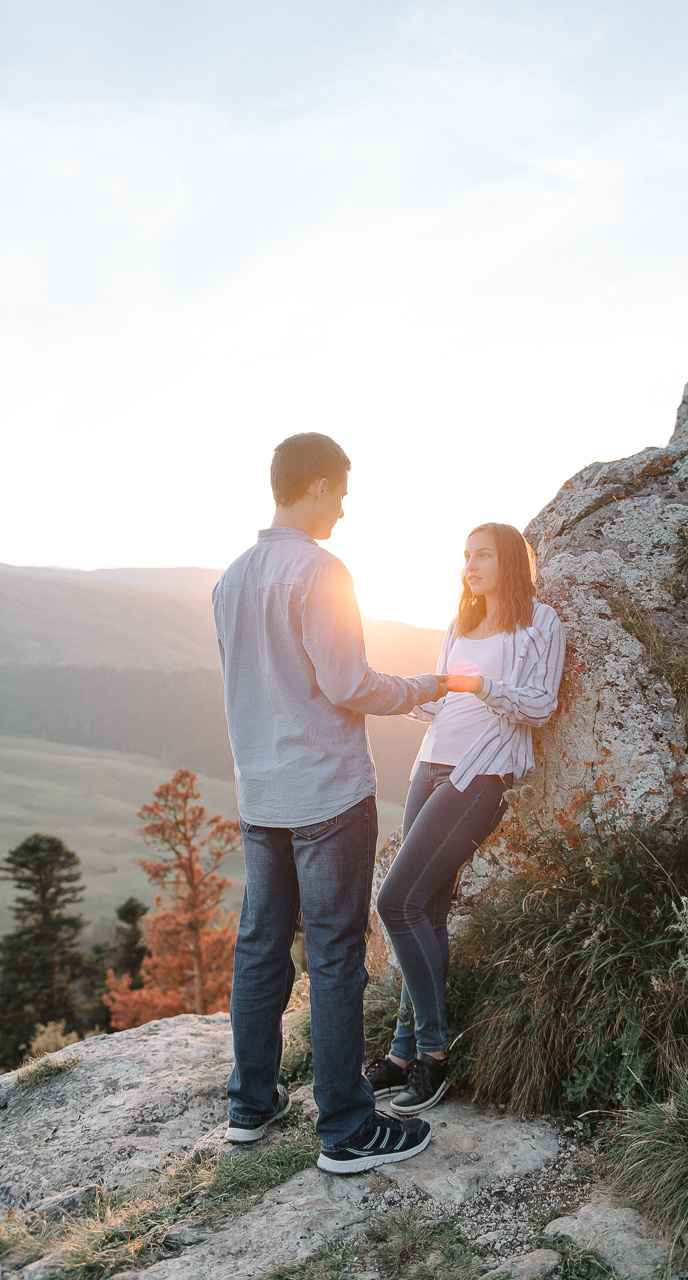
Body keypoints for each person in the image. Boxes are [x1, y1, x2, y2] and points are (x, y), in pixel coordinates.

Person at [212, 432, 447, 1174]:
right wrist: (424, 688)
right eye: (340, 493)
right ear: (315, 486)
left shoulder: (231, 577)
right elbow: (349, 685)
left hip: (261, 794)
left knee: (261, 947)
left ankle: (251, 1105)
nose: (343, 509)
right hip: (327, 795)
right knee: (336, 953)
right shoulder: (320, 570)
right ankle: (345, 1128)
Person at [370, 522, 566, 1114]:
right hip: (429, 766)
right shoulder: (461, 622)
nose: (470, 565)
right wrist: (396, 692)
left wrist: (483, 686)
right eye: (466, 555)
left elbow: (540, 704)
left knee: (395, 902)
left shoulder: (541, 623)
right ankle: (402, 1055)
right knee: (425, 911)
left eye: (483, 555)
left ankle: (433, 1055)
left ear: (510, 561)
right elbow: (441, 699)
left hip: (480, 775)